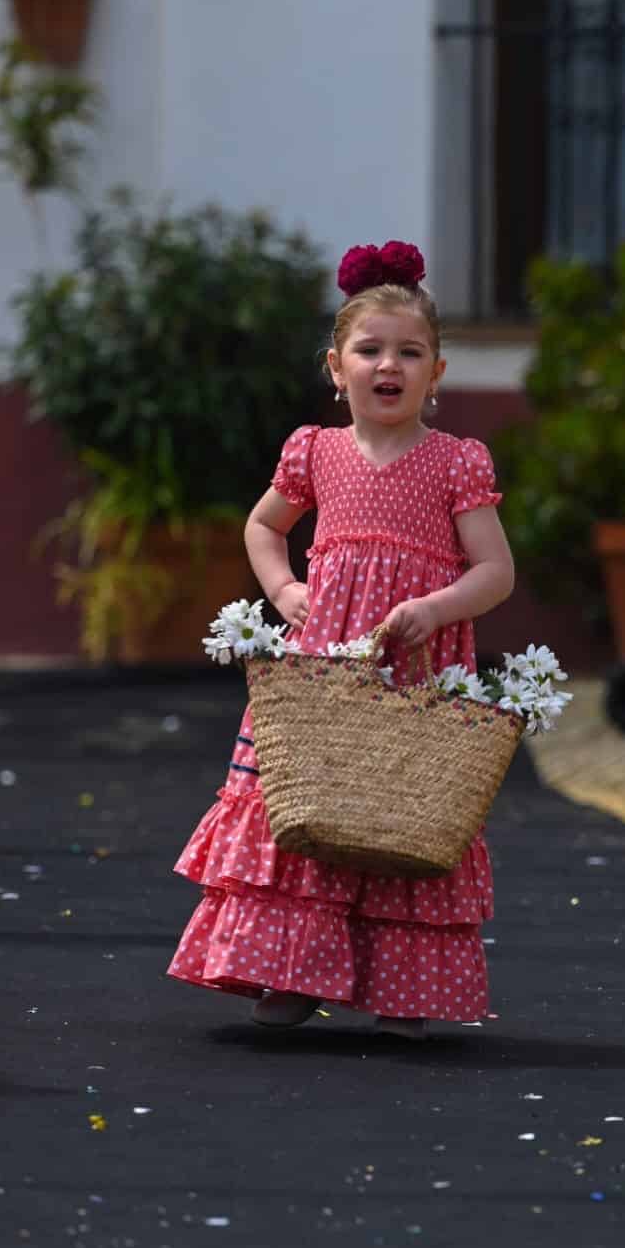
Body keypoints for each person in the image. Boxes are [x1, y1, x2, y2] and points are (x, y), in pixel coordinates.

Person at [168, 240, 515, 1038]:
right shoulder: (315, 452)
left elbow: (495, 570)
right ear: (336, 367)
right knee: (308, 802)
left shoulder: (456, 463)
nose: (387, 364)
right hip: (324, 661)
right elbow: (263, 527)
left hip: (413, 662)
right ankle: (287, 973)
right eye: (369, 350)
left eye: (409, 351)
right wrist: (285, 587)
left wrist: (438, 606)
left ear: (437, 373)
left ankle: (403, 987)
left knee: (398, 810)